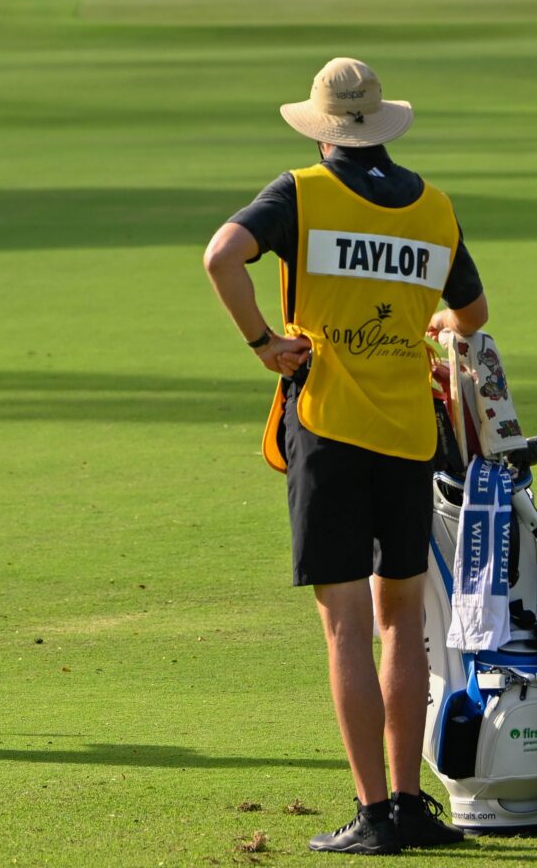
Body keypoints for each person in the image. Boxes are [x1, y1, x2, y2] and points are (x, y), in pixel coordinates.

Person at [201, 58, 489, 855]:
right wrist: (426, 335)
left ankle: (371, 816)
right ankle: (408, 804)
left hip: (327, 429)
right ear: (383, 126)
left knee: (344, 628)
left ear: (323, 130)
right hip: (408, 433)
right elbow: (470, 313)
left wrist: (263, 343)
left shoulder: (303, 192)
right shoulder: (432, 206)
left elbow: (222, 256)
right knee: (403, 624)